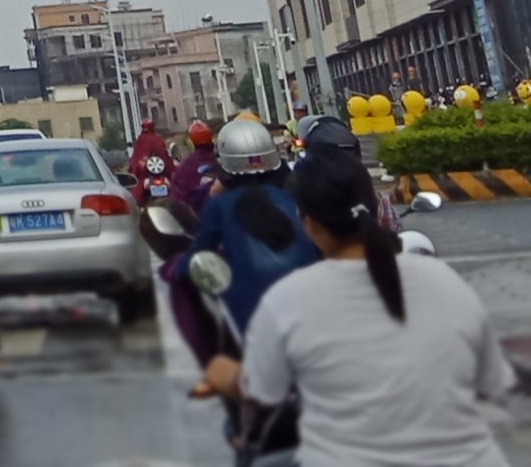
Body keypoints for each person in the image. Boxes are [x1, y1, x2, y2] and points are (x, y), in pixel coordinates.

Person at [204, 148, 509, 467]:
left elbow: (261, 391)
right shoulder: (442, 277)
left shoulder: (288, 299)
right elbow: (490, 381)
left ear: (306, 221)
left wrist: (222, 372)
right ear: (377, 208)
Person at [181, 118, 321, 356]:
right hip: (312, 316)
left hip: (254, 325)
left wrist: (174, 268)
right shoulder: (295, 198)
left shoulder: (220, 206)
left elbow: (194, 261)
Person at [168, 118, 221, 216]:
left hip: (195, 217)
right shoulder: (221, 160)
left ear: (191, 142)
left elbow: (177, 198)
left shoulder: (186, 166)